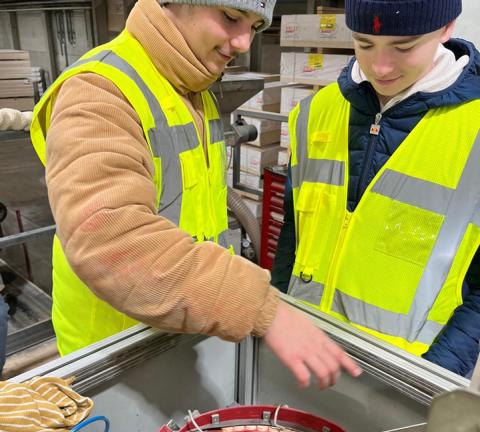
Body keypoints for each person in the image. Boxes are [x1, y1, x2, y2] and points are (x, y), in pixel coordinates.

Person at [29, 0, 361, 389]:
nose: (244, 43)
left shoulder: (195, 89)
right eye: (231, 17)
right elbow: (111, 240)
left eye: (255, 27)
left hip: (178, 342)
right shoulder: (100, 91)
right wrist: (258, 305)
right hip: (115, 362)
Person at [272, 0, 480, 377]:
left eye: (403, 47)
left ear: (447, 27)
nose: (380, 66)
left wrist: (434, 374)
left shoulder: (474, 130)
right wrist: (278, 320)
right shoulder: (314, 112)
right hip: (305, 358)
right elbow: (293, 235)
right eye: (364, 43)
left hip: (406, 374)